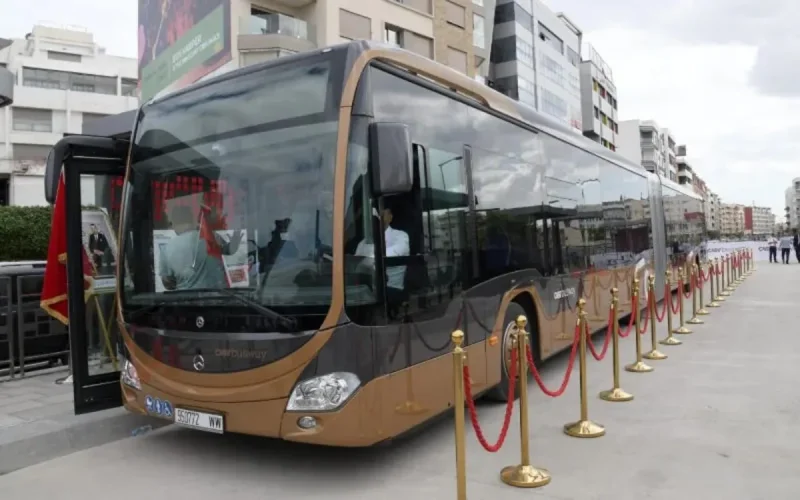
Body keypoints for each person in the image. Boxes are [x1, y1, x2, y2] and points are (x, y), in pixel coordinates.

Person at [159, 205, 243, 290]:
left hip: (185, 301)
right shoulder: (211, 237)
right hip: (217, 298)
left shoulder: (166, 250)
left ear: (173, 224)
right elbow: (230, 250)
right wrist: (235, 241)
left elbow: (168, 284)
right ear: (192, 220)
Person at [355, 206, 409, 314]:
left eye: (381, 214)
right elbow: (356, 265)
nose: (378, 218)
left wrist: (365, 262)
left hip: (391, 288)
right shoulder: (364, 242)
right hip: (366, 288)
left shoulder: (400, 236)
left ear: (390, 217)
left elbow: (387, 256)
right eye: (374, 216)